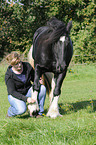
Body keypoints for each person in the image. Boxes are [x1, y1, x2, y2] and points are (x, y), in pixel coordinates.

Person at [5, 51, 46, 118]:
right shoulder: (9, 76)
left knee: (42, 89)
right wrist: (26, 99)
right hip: (15, 95)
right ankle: (10, 112)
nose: (19, 65)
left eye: (19, 62)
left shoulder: (27, 66)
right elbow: (12, 92)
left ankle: (39, 113)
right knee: (21, 110)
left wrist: (38, 80)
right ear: (12, 65)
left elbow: (33, 78)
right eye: (16, 64)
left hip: (28, 91)